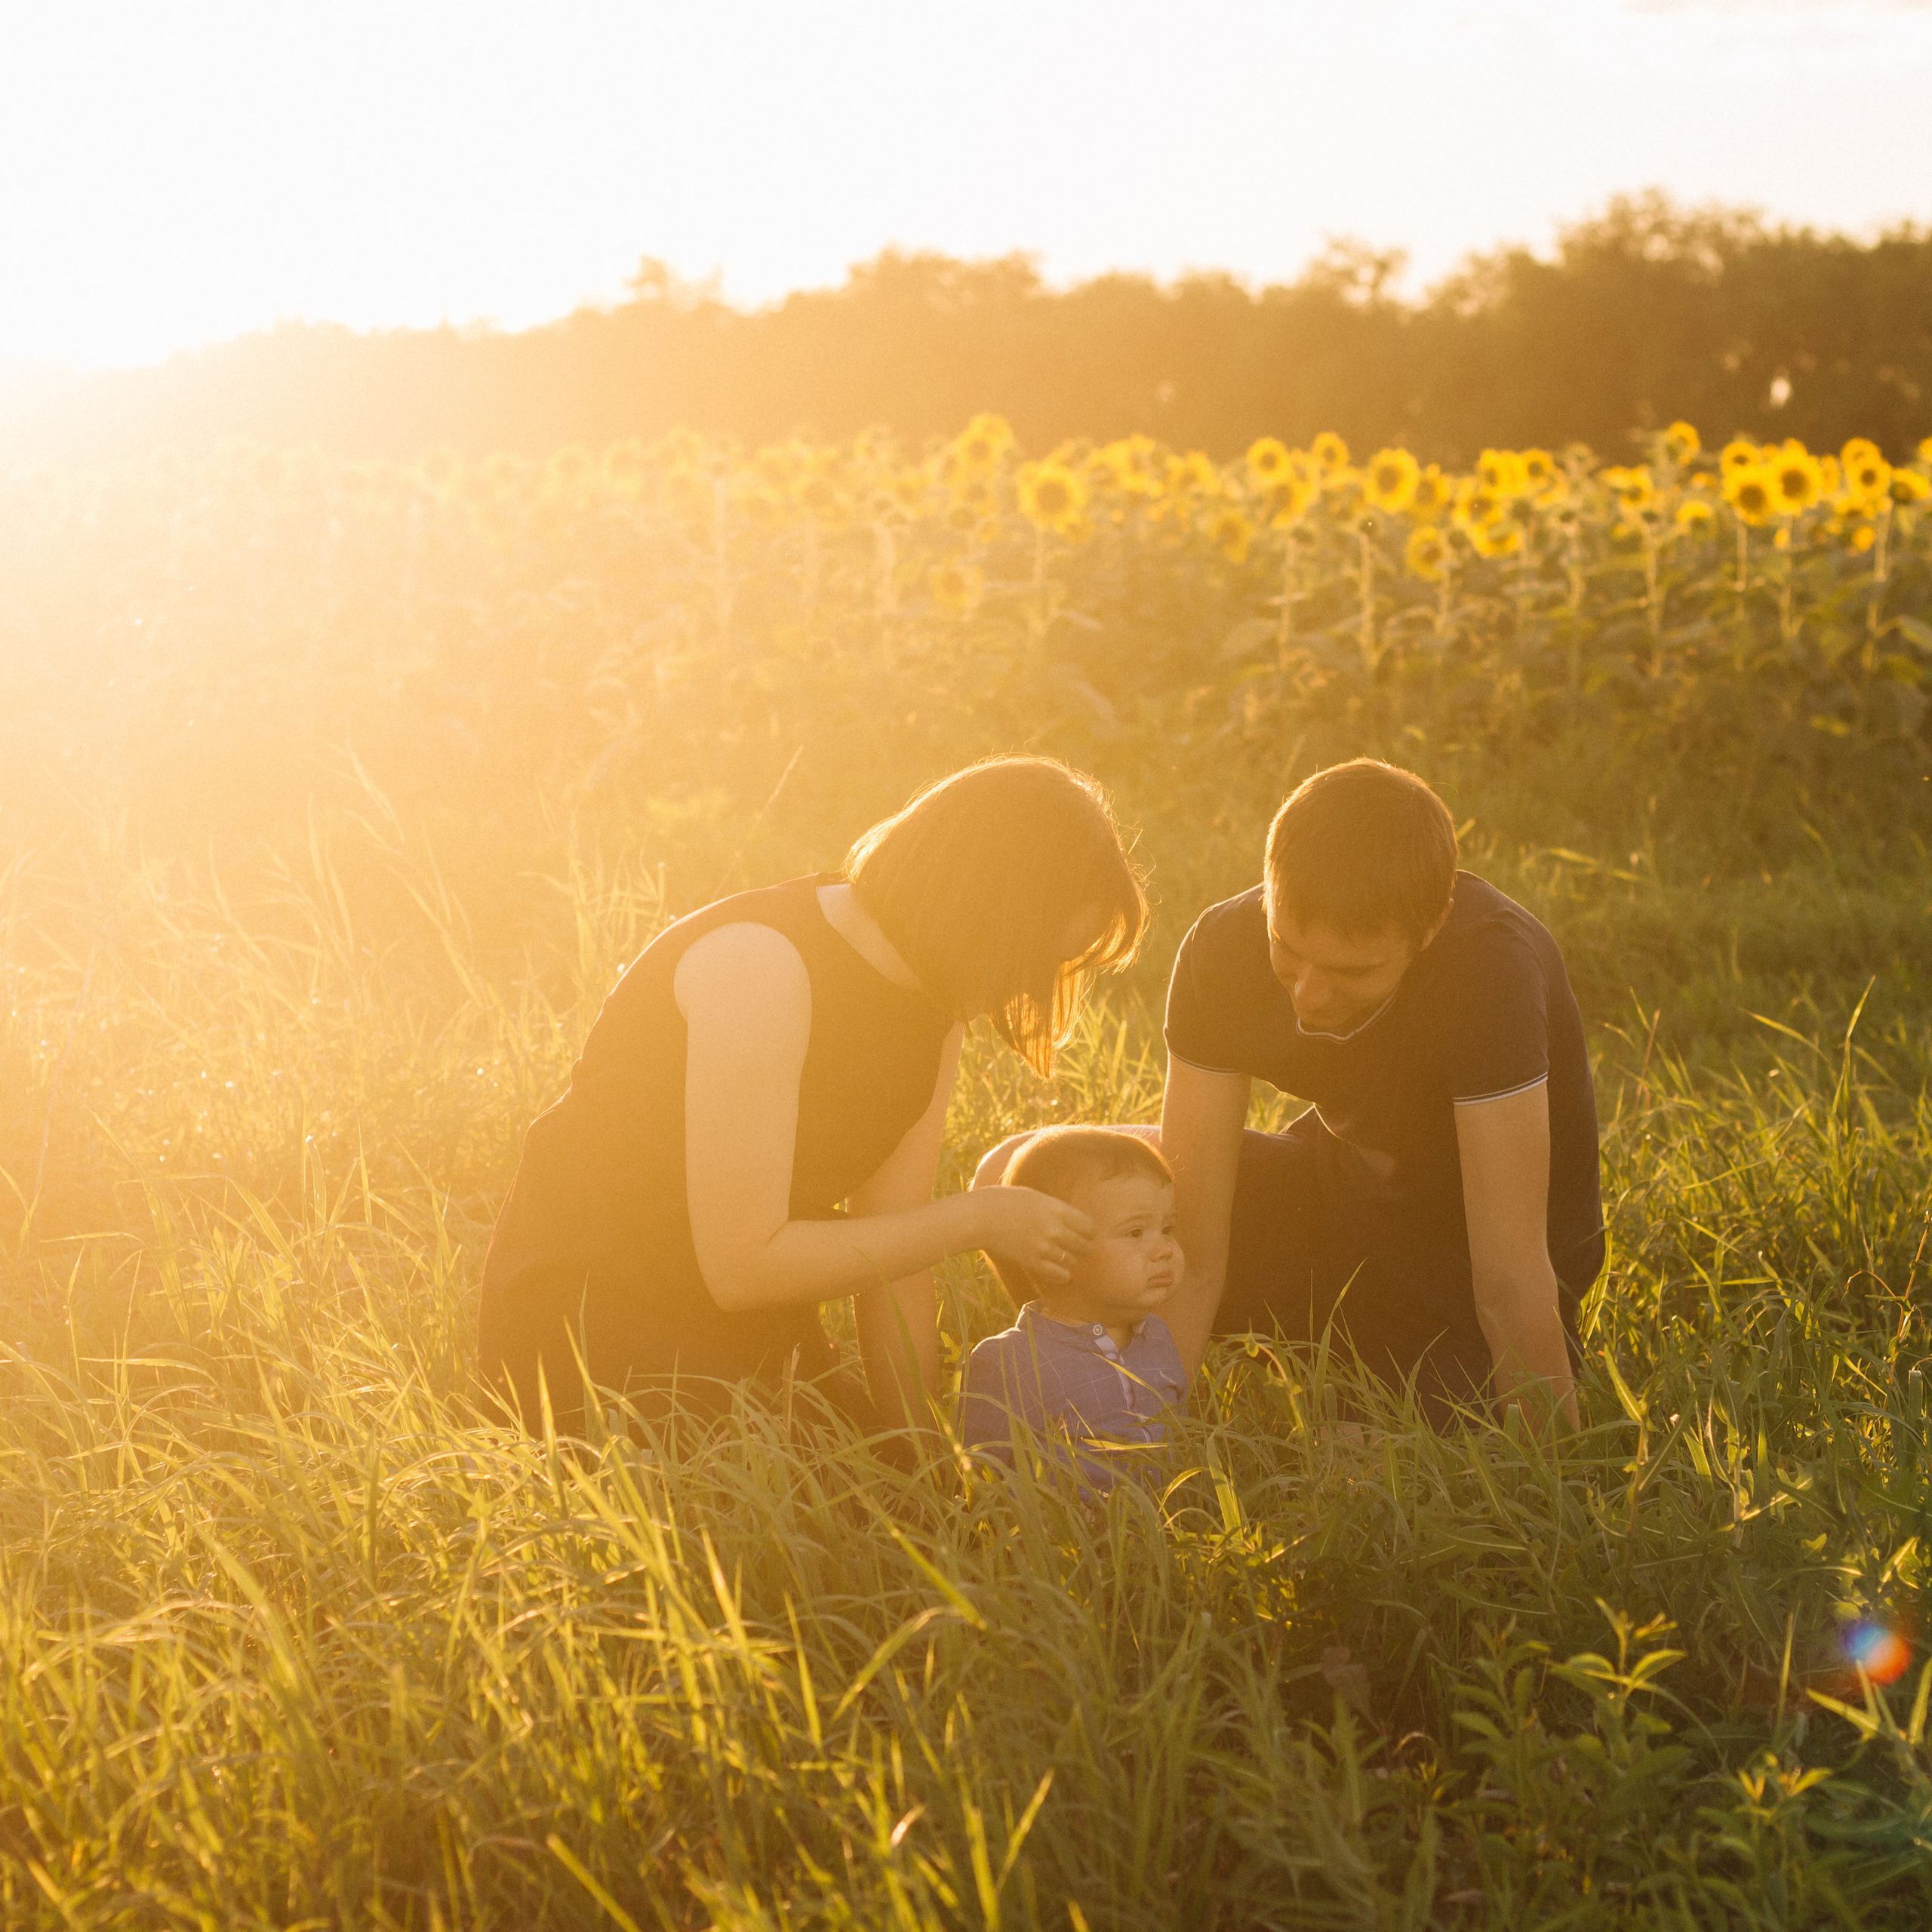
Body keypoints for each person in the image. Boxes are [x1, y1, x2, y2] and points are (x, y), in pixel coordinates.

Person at [477, 757, 1146, 1435]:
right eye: (1033, 958)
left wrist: (922, 1453)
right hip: (595, 1311)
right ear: (985, 910)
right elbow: (742, 1265)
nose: (1027, 991)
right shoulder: (758, 966)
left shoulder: (933, 998)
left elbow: (898, 1254)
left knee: (893, 1508)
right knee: (799, 1515)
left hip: (743, 1321)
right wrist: (975, 1220)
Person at [1160, 758, 1603, 1428]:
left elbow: (1510, 1281)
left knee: (1408, 1448)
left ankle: (1360, 1398)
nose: (1307, 994)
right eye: (1287, 949)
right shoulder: (1222, 948)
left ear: (1431, 929)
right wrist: (1148, 1434)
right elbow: (1193, 1242)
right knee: (1053, 1190)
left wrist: (1561, 1492)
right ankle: (1321, 1378)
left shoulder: (1489, 969)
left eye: (1353, 970)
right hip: (1338, 1209)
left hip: (1460, 1277)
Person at [958, 1127, 1187, 1492]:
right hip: (1067, 1544)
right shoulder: (1011, 1362)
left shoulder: (1157, 1337)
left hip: (1165, 1539)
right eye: (1135, 1233)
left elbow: (1182, 1440)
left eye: (1168, 1228)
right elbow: (977, 1476)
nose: (1164, 1249)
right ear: (1057, 1252)